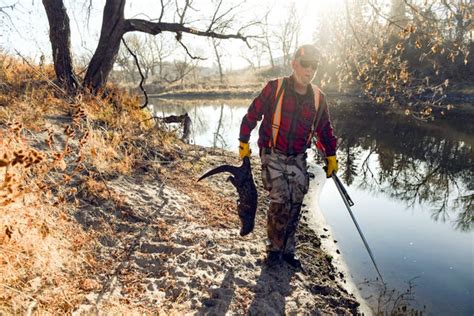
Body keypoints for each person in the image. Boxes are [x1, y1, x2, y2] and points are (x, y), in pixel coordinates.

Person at [238, 44, 338, 268]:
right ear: (294, 64)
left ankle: (288, 250)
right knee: (281, 199)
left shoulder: (318, 98)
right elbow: (252, 115)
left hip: (298, 157)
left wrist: (331, 155)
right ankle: (274, 250)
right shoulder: (275, 88)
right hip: (272, 153)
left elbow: (325, 130)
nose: (309, 70)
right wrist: (243, 141)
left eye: (314, 67)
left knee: (296, 202)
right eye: (305, 65)